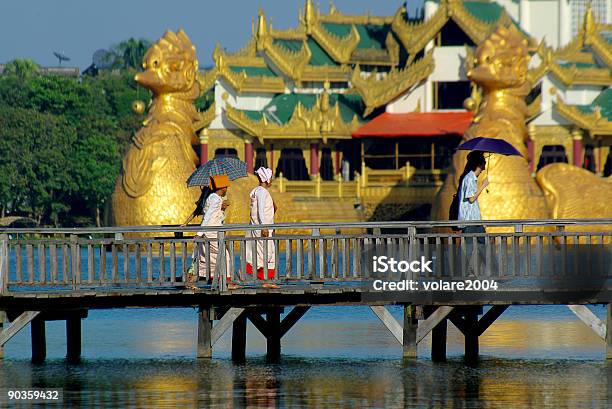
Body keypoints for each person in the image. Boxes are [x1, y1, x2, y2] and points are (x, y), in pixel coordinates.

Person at [194, 174, 235, 287]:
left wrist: (222, 208)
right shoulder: (215, 199)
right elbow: (208, 216)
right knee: (224, 256)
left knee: (207, 258)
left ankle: (198, 280)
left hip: (210, 232)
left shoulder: (213, 198)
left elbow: (214, 216)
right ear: (222, 188)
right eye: (226, 187)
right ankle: (227, 282)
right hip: (211, 233)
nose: (226, 189)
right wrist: (199, 232)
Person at [458, 151, 491, 275]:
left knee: (481, 246)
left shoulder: (471, 177)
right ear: (480, 164)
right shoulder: (470, 178)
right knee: (471, 248)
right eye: (483, 162)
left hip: (475, 220)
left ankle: (489, 271)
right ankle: (465, 274)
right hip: (470, 221)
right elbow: (471, 198)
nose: (484, 166)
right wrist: (483, 186)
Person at [246, 167, 278, 288]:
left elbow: (268, 209)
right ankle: (239, 277)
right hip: (262, 229)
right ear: (267, 179)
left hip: (262, 228)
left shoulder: (258, 191)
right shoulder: (262, 192)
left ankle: (267, 280)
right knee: (263, 255)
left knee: (269, 254)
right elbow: (260, 211)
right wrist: (264, 227)